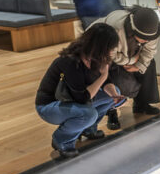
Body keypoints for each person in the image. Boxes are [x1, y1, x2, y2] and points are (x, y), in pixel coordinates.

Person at [35, 23, 122, 159]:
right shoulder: (70, 61)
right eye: (110, 48)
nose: (111, 51)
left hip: (72, 101)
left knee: (112, 92)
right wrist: (104, 75)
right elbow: (82, 98)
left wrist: (115, 95)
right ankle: (62, 140)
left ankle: (89, 130)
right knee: (88, 114)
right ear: (100, 46)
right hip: (50, 107)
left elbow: (106, 82)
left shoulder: (95, 57)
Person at [89, 5, 160, 130]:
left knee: (149, 64)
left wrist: (139, 66)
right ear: (133, 29)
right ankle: (111, 111)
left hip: (126, 54)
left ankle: (142, 104)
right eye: (143, 38)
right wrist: (132, 60)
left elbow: (150, 51)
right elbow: (109, 55)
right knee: (117, 80)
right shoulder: (115, 29)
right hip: (101, 55)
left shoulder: (152, 29)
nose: (147, 40)